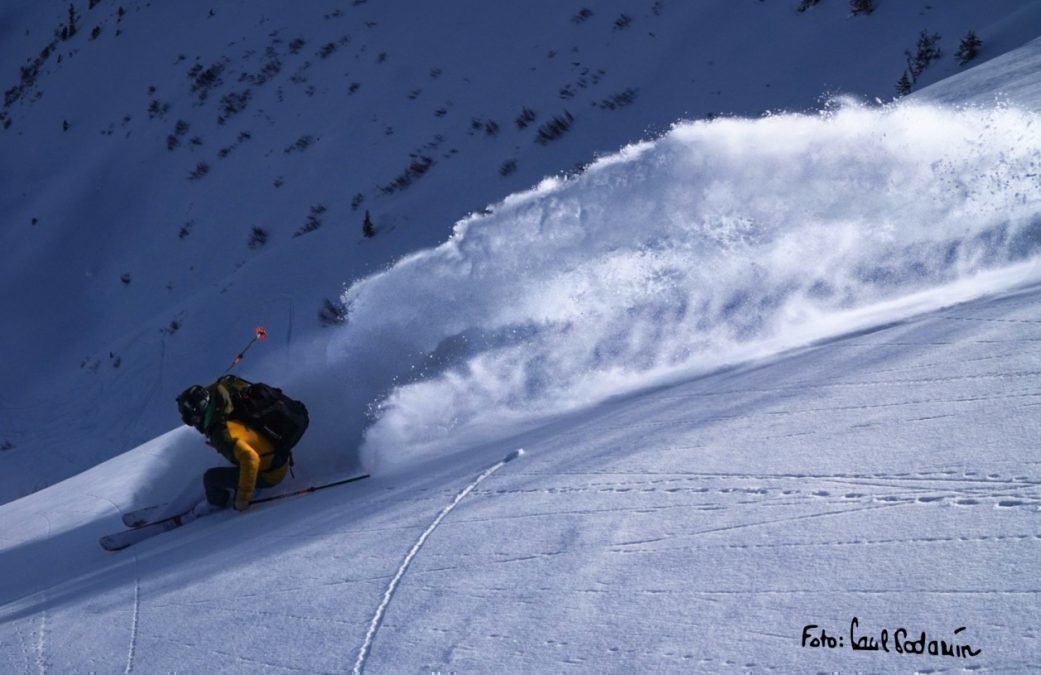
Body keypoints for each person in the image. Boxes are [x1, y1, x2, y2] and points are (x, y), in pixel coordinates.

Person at [176, 375, 306, 512]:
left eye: (191, 420)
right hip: (279, 455)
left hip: (271, 474)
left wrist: (243, 499)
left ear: (197, 416)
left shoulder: (221, 433)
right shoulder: (225, 396)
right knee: (235, 455)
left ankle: (215, 506)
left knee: (211, 478)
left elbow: (250, 458)